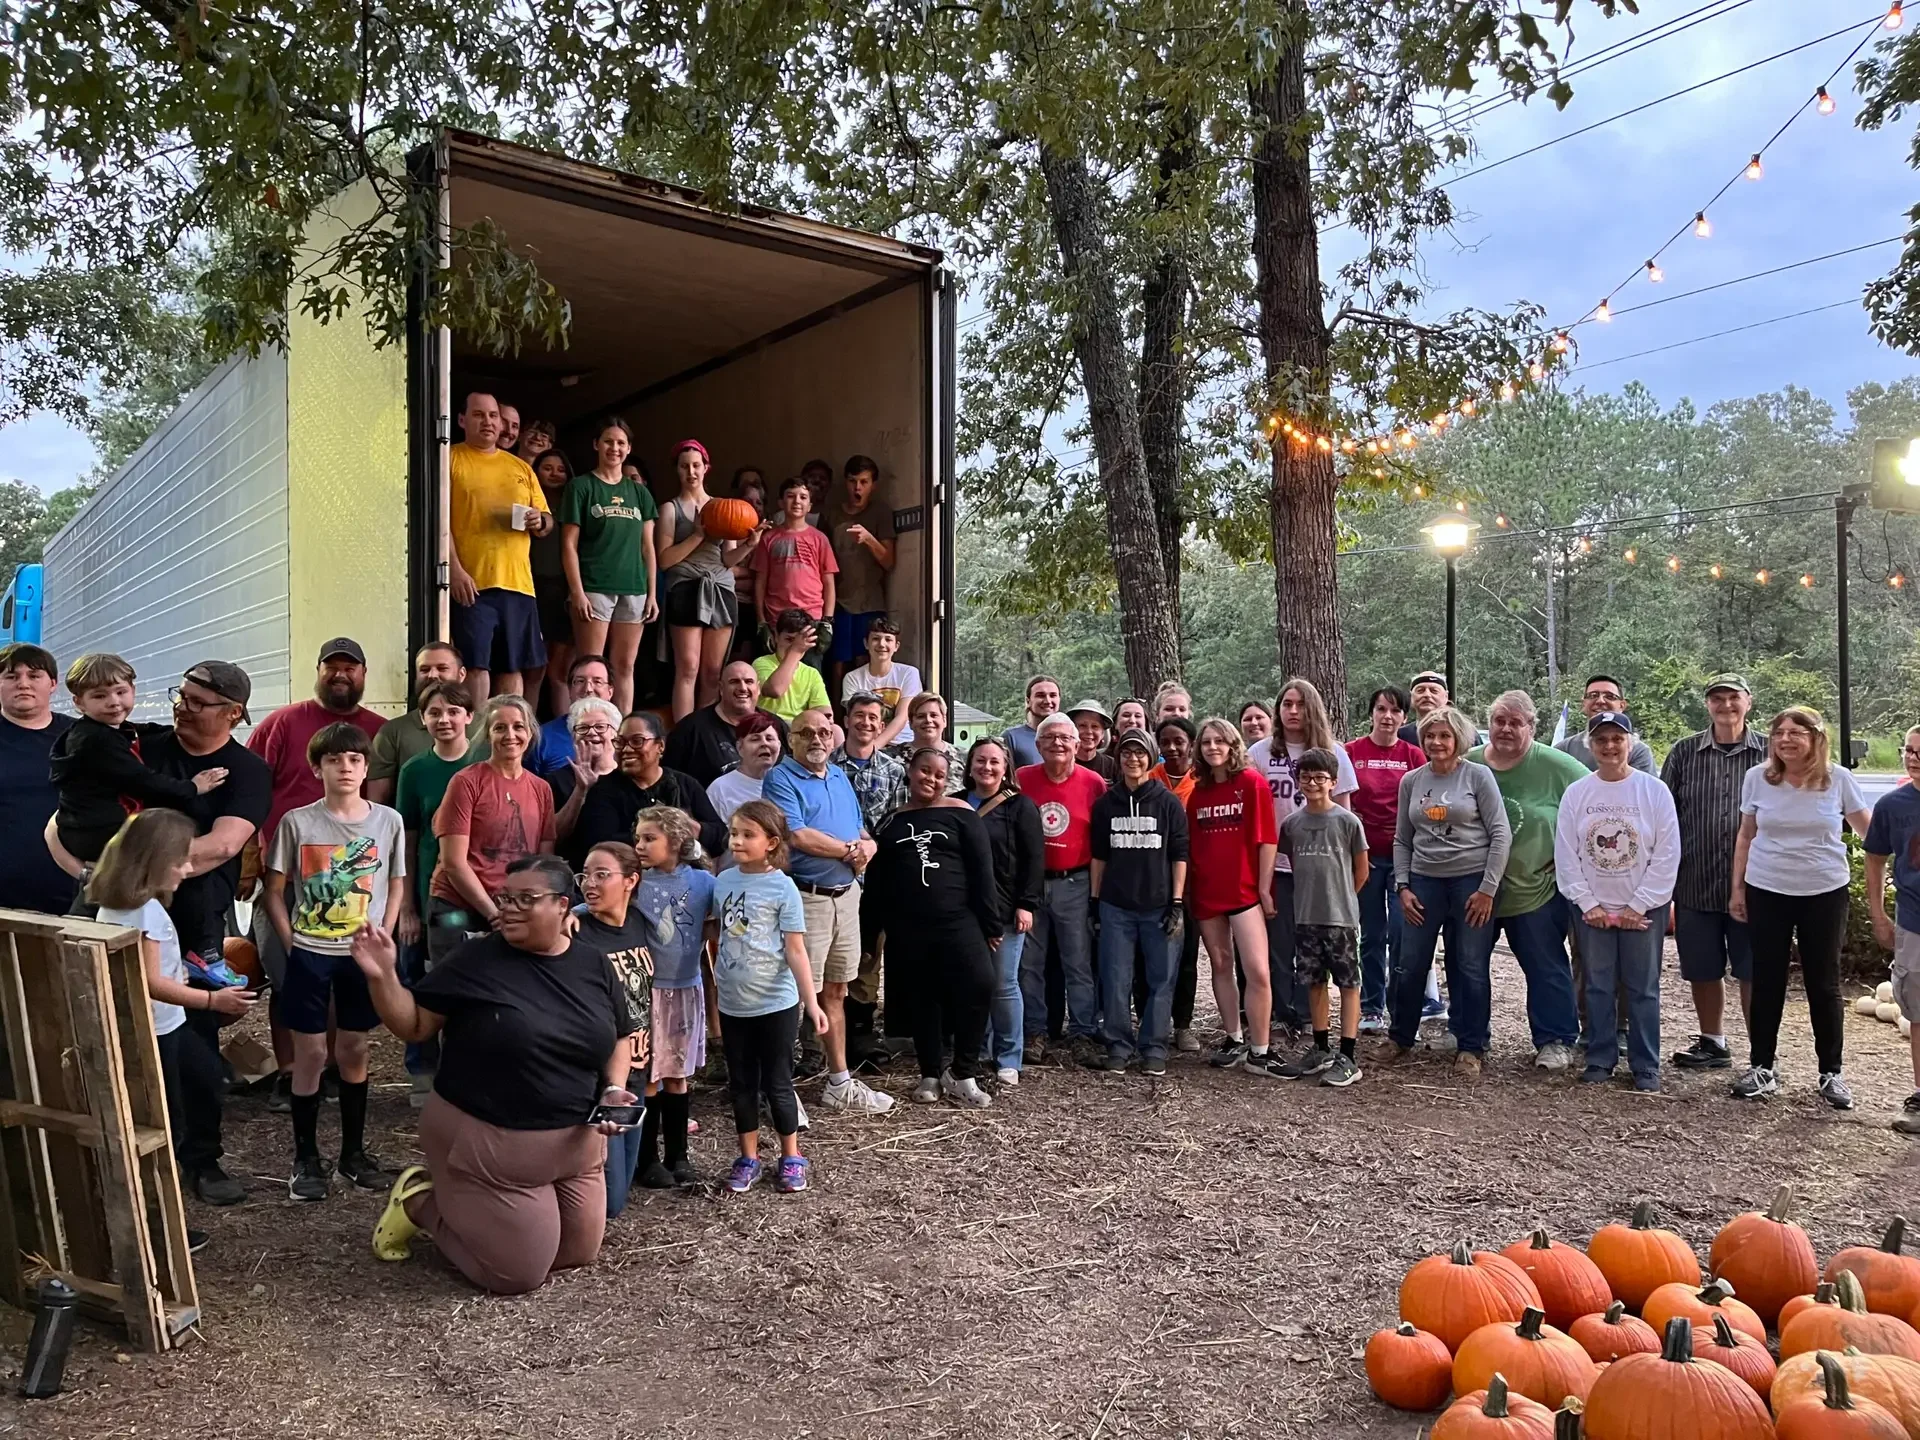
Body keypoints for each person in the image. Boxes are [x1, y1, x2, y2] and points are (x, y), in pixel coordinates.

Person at [353, 855, 638, 1294]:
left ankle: (494, 1213)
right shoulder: (477, 958)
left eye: (527, 899)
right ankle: (421, 1203)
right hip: (491, 1144)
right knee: (517, 1275)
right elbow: (414, 1025)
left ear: (563, 906)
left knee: (576, 1253)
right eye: (507, 898)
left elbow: (620, 1035)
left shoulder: (592, 964)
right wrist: (383, 976)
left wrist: (614, 1088)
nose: (509, 907)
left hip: (576, 1144)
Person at [89, 810, 256, 1255]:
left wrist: (182, 968)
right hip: (157, 1031)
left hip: (172, 1024)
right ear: (154, 859)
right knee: (167, 1125)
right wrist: (211, 1001)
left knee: (207, 1083)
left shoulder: (139, 903)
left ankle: (183, 1187)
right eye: (181, 860)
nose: (188, 868)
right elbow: (146, 982)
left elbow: (158, 968)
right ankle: (159, 1228)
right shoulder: (136, 910)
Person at [137, 663, 272, 1197]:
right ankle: (142, 1150)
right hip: (123, 911)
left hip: (196, 916)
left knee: (195, 1031)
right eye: (181, 695)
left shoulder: (247, 770)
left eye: (196, 701)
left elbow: (222, 845)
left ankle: (202, 1158)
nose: (181, 706)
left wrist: (133, 870)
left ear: (232, 713)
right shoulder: (144, 749)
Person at [262, 723, 406, 1200]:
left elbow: (398, 880)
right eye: (334, 760)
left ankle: (353, 1154)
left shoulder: (387, 821)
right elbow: (275, 890)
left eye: (355, 760)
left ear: (366, 768)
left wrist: (383, 930)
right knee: (312, 1054)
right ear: (317, 767)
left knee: (355, 1050)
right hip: (311, 951)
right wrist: (291, 943)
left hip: (361, 956)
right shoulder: (297, 822)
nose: (345, 768)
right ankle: (305, 1159)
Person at [1729, 706, 1871, 1108]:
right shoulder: (1757, 778)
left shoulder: (1838, 779)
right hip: (1767, 889)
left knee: (1823, 983)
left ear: (1816, 738)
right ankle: (1762, 1068)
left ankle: (1831, 1073)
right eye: (1779, 733)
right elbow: (1746, 836)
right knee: (1766, 979)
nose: (1786, 740)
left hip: (1824, 891)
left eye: (1796, 732)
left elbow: (1869, 832)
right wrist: (1737, 890)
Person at [761, 706, 893, 1114]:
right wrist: (851, 852)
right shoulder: (780, 777)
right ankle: (777, 1091)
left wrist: (868, 846)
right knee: (792, 996)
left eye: (823, 732)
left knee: (836, 990)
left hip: (845, 896)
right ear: (791, 740)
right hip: (806, 899)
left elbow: (860, 829)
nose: (817, 739)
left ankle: (839, 1083)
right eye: (806, 733)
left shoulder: (837, 775)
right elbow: (796, 835)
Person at [1555, 711, 1681, 1093]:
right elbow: (1566, 852)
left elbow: (1667, 852)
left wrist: (1638, 905)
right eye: (1601, 740)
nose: (1610, 746)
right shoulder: (1578, 793)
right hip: (1592, 908)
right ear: (1591, 745)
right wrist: (1587, 903)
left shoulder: (1653, 791)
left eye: (1617, 739)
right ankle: (1600, 1056)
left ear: (1631, 742)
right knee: (1597, 984)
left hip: (1643, 908)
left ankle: (1645, 1064)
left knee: (1642, 987)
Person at [870, 748, 1001, 1105]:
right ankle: (929, 1073)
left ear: (949, 780)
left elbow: (982, 871)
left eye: (940, 775)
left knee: (980, 983)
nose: (932, 779)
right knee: (923, 997)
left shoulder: (961, 814)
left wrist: (990, 922)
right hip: (909, 927)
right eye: (925, 771)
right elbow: (880, 880)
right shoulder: (893, 821)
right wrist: (874, 929)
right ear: (910, 772)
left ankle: (962, 1071)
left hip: (959, 921)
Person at [1388, 706, 1512, 1079]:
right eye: (1430, 736)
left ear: (1458, 739)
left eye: (1444, 736)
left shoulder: (1478, 776)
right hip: (1424, 882)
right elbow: (1401, 839)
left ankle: (1471, 1046)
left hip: (1471, 881)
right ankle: (1400, 1037)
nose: (1436, 742)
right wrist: (1403, 886)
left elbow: (1500, 833)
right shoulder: (1412, 780)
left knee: (1470, 964)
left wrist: (1488, 888)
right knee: (1410, 963)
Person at [710, 801, 827, 1193]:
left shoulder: (783, 887)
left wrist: (811, 1004)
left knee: (778, 1080)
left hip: (775, 1002)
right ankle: (748, 1157)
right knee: (741, 1081)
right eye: (734, 833)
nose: (737, 840)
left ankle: (791, 1156)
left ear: (771, 841)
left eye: (748, 834)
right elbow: (720, 935)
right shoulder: (723, 881)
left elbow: (795, 949)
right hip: (732, 1002)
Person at [1466, 690, 1586, 1071]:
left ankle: (1556, 1039)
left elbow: (1598, 806)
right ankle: (1469, 1035)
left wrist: (1569, 861)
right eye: (1499, 720)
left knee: (1545, 965)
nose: (1505, 729)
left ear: (1532, 727)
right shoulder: (1467, 764)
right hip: (1473, 890)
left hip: (1534, 889)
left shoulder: (1558, 767)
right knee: (1467, 963)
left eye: (1515, 722)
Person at [1661, 673, 1767, 1071]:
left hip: (1758, 884)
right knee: (1702, 968)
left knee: (1754, 969)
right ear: (1707, 704)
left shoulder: (1771, 752)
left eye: (1733, 697)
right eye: (1717, 698)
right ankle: (1713, 1041)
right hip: (1695, 880)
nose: (1725, 705)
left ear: (1748, 702)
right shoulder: (1684, 753)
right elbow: (1663, 813)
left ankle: (1762, 1052)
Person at [1250, 678, 1359, 1037]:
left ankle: (1314, 1018)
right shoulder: (1261, 753)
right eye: (1286, 704)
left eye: (1299, 704)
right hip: (1276, 865)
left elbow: (1345, 816)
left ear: (1312, 708)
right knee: (1280, 946)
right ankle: (1284, 1015)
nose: (1292, 711)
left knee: (1320, 950)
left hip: (1323, 869)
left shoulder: (1334, 752)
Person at [49, 651, 222, 865]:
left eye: (120, 692)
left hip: (82, 829)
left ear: (133, 690)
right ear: (79, 703)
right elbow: (142, 780)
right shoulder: (95, 741)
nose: (113, 702)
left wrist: (177, 731)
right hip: (99, 835)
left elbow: (136, 730)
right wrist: (192, 788)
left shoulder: (94, 729)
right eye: (99, 696)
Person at [426, 696, 558, 968]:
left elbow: (543, 863)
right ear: (487, 734)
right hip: (457, 907)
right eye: (500, 727)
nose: (510, 735)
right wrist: (494, 914)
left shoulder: (541, 789)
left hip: (511, 910)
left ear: (530, 732)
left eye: (518, 727)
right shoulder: (466, 782)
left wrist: (520, 910)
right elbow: (453, 862)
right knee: (455, 993)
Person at [393, 680, 477, 1104]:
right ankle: (421, 1067)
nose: (444, 720)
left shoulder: (483, 763)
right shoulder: (415, 771)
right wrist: (407, 906)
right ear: (423, 721)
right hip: (428, 894)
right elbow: (406, 839)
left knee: (467, 980)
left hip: (472, 898)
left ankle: (464, 1068)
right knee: (418, 979)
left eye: (452, 711)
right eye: (434, 713)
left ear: (468, 717)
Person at [1089, 728, 1189, 1076]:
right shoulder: (1106, 804)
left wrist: (1177, 902)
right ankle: (1118, 1045)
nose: (1133, 759)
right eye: (1127, 753)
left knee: (1161, 979)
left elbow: (1179, 854)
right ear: (1119, 758)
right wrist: (1094, 901)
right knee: (1116, 978)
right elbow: (1099, 856)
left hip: (1159, 904)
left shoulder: (1168, 803)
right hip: (1116, 905)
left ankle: (1154, 1046)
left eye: (1140, 753)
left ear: (1151, 757)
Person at [447, 392, 554, 708]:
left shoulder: (520, 467)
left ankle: (510, 740)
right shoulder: (450, 458)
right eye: (479, 415)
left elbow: (547, 521)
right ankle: (477, 740)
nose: (489, 422)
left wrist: (540, 521)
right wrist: (454, 569)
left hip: (518, 583)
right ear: (462, 420)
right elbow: (440, 522)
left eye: (493, 416)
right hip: (473, 581)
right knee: (476, 665)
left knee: (512, 667)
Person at [1184, 718, 1278, 1073]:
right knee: (1221, 964)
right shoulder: (1199, 794)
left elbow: (1266, 839)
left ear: (1232, 745)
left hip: (1244, 891)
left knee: (1256, 969)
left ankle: (1261, 1048)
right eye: (1206, 742)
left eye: (1219, 741)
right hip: (1208, 891)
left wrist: (1264, 888)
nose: (1212, 748)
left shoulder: (1251, 784)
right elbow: (1193, 848)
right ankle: (1234, 1037)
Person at [1015, 711, 1107, 1062]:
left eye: (1064, 738)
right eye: (1049, 737)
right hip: (1033, 885)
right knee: (1030, 963)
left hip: (1075, 882)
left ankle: (1083, 1031)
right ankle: (1035, 1030)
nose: (1057, 743)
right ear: (1037, 744)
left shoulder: (1094, 782)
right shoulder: (1022, 778)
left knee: (1078, 962)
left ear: (1077, 744)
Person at [630, 808, 715, 1185]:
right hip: (647, 991)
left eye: (650, 838)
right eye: (639, 838)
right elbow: (600, 902)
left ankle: (679, 1156)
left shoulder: (702, 882)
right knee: (650, 1074)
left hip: (685, 989)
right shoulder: (637, 884)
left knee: (677, 1075)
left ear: (677, 843)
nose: (640, 845)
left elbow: (727, 908)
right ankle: (646, 1159)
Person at [1276, 749, 1369, 1087]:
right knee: (1314, 982)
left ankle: (1348, 1054)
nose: (1312, 783)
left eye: (1320, 778)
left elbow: (1361, 871)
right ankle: (1320, 1047)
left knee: (1348, 983)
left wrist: (1342, 898)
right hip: (1306, 916)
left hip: (1340, 917)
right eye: (1306, 777)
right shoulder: (1292, 824)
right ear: (1298, 781)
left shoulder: (1347, 821)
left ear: (1333, 781)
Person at [571, 841, 653, 1217]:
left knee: (620, 1194)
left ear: (630, 881)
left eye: (602, 875)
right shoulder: (576, 930)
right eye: (585, 875)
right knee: (612, 1204)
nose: (590, 883)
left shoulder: (640, 922)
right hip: (598, 1081)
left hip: (639, 1070)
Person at [248, 638, 389, 854]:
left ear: (364, 672)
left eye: (349, 668)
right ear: (318, 670)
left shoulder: (382, 731)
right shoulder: (281, 723)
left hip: (355, 865)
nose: (340, 675)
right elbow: (248, 790)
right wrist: (249, 852)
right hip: (286, 862)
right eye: (331, 668)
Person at [560, 419, 659, 717]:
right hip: (594, 586)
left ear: (628, 449)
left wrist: (652, 593)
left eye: (620, 443)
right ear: (596, 445)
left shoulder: (640, 493)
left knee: (624, 666)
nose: (614, 448)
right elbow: (568, 545)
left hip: (634, 589)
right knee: (590, 666)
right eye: (608, 441)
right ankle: (583, 727)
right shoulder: (580, 487)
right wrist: (577, 592)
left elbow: (648, 548)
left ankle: (623, 731)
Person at [657, 439, 762, 720]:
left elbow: (727, 559)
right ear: (677, 470)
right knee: (688, 666)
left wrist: (749, 545)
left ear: (706, 468)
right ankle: (683, 733)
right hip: (686, 587)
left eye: (696, 465)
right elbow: (664, 560)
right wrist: (697, 535)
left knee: (713, 671)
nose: (691, 472)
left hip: (720, 588)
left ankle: (703, 731)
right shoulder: (670, 509)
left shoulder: (721, 506)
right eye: (684, 466)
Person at [1344, 686, 1426, 1035]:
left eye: (1395, 711)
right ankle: (1371, 1007)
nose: (1387, 716)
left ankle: (1402, 1009)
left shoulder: (1413, 755)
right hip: (1366, 856)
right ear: (1372, 713)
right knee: (1372, 935)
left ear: (1404, 717)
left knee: (1403, 934)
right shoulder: (1351, 752)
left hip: (1405, 858)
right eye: (1381, 709)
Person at [962, 737, 1043, 1085]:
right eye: (981, 761)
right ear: (970, 765)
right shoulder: (956, 802)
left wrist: (1027, 903)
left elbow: (1034, 859)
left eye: (995, 762)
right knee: (973, 983)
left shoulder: (1021, 806)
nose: (987, 768)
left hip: (1007, 909)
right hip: (965, 910)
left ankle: (1009, 1054)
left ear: (1006, 768)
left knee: (1004, 984)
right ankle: (978, 1048)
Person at [575, 711, 728, 860]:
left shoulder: (685, 784)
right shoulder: (604, 790)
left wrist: (695, 829)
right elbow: (598, 843)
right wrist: (662, 834)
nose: (627, 749)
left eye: (637, 741)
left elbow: (721, 837)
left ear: (660, 746)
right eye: (620, 742)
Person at [1866, 726, 1920, 1136]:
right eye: (1909, 750)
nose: (1913, 757)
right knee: (1917, 1010)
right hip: (1913, 921)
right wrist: (1879, 913)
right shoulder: (1892, 805)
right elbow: (1875, 860)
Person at [0, 642, 77, 912]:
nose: (23, 684)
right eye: (11, 676)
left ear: (53, 684)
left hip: (71, 894)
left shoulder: (80, 736)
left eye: (34, 676)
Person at [823, 455, 898, 694]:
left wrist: (868, 539)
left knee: (865, 661)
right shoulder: (831, 515)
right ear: (845, 483)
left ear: (873, 485)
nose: (857, 488)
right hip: (839, 601)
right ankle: (835, 716)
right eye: (853, 481)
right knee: (837, 663)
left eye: (864, 482)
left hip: (870, 600)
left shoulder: (881, 512)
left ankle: (866, 712)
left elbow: (889, 561)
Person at [366, 643, 470, 805]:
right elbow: (377, 804)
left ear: (461, 674)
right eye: (424, 669)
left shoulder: (485, 727)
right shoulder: (392, 732)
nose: (432, 675)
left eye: (442, 668)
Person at [753, 475, 838, 657]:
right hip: (777, 620)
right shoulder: (768, 538)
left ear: (810, 506)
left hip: (811, 620)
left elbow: (829, 582)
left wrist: (827, 621)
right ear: (781, 503)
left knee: (810, 675)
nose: (797, 501)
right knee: (776, 675)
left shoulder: (820, 539)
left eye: (803, 497)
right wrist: (761, 621)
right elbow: (760, 581)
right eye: (791, 496)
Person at [528, 446, 577, 718]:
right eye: (547, 468)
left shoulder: (575, 504)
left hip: (564, 587)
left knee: (560, 669)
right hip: (533, 586)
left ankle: (562, 729)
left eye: (560, 469)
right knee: (535, 667)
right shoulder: (528, 503)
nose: (555, 474)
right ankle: (529, 727)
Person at [665, 661, 768, 787]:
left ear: (758, 688)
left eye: (749, 682)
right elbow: (670, 781)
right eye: (734, 682)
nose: (742, 688)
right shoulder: (690, 729)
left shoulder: (775, 726)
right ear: (721, 688)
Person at [548, 697, 623, 867]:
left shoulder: (628, 777)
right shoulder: (556, 780)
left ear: (615, 733)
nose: (591, 732)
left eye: (600, 727)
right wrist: (580, 791)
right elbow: (552, 837)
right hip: (574, 872)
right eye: (582, 728)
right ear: (573, 737)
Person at [837, 617, 920, 750]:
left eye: (888, 639)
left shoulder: (909, 673)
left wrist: (875, 747)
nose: (881, 644)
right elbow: (855, 719)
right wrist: (869, 749)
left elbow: (902, 716)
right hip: (864, 745)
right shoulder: (852, 678)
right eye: (875, 639)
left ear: (896, 646)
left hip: (902, 744)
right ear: (866, 644)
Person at [832, 693, 909, 833]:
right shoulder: (826, 765)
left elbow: (897, 824)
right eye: (859, 715)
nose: (866, 722)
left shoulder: (894, 771)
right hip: (832, 847)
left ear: (881, 727)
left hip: (879, 851)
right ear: (846, 721)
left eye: (872, 717)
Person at [526, 654, 615, 776]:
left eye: (597, 681)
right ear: (569, 690)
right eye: (580, 681)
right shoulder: (542, 738)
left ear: (610, 692)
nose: (588, 688)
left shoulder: (626, 733)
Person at [1556, 675, 1657, 775]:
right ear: (1584, 704)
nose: (1600, 701)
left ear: (1622, 705)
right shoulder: (1564, 750)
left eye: (1610, 696)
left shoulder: (1638, 752)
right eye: (1593, 695)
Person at [707, 710, 785, 829]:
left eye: (769, 739)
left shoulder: (788, 783)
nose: (764, 744)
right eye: (755, 739)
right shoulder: (720, 788)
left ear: (779, 745)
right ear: (739, 747)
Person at [753, 608, 832, 724]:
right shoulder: (761, 663)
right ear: (776, 636)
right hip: (769, 726)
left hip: (800, 729)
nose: (794, 645)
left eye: (800, 641)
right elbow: (775, 690)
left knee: (836, 731)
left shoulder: (811, 673)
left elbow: (824, 710)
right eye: (789, 639)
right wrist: (795, 650)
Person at [893, 692, 963, 771]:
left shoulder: (964, 758)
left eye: (933, 715)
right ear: (911, 723)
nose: (928, 720)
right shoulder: (891, 758)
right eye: (921, 716)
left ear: (944, 720)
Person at [1004, 675, 1061, 769]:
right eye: (1040, 695)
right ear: (1028, 701)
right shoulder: (1012, 737)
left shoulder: (1069, 738)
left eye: (1053, 695)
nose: (1047, 701)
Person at [1068, 698, 1119, 783]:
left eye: (1095, 726)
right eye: (1082, 725)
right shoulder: (1062, 764)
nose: (1089, 731)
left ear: (1102, 733)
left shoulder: (1112, 766)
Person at [1150, 715, 1198, 804]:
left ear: (1192, 745)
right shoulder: (1150, 778)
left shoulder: (1202, 778)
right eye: (1165, 743)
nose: (1171, 748)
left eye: (1178, 742)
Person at [1398, 671, 1449, 746]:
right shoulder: (1399, 736)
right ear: (1411, 697)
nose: (1427, 695)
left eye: (1434, 691)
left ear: (1446, 696)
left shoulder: (1465, 734)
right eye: (1420, 691)